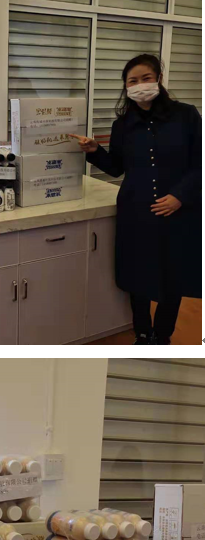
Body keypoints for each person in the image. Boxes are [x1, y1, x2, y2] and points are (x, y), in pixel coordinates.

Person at [76, 53, 201, 344]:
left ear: (159, 79)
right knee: (138, 274)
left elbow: (200, 163)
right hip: (136, 210)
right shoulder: (123, 125)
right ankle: (143, 333)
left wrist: (179, 196)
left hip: (177, 211)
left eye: (146, 78)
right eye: (132, 81)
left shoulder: (186, 115)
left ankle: (163, 336)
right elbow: (116, 167)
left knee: (173, 274)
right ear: (126, 86)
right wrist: (95, 152)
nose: (139, 85)